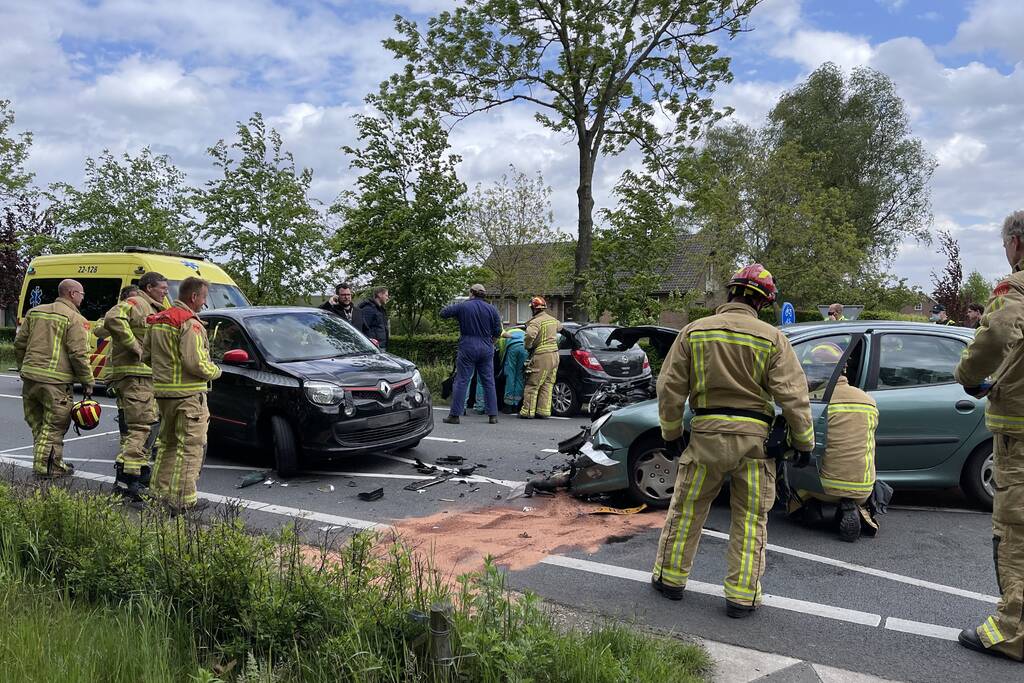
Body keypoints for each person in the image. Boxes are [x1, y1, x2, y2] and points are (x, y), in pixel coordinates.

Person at [650, 264, 814, 618]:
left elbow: (669, 388)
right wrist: (804, 443)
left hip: (705, 438)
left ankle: (670, 580)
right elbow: (794, 397)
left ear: (729, 294)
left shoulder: (694, 332)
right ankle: (741, 598)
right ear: (764, 302)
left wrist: (672, 433)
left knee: (686, 511)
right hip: (754, 444)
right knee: (751, 520)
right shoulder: (773, 338)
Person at [953, 209, 1024, 661]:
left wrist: (969, 375)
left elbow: (997, 331)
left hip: (1019, 434)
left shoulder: (1015, 290)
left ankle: (1012, 631)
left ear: (1016, 244)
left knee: (1016, 531)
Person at [144, 276, 221, 512]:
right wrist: (216, 371)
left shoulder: (159, 320)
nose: (204, 304)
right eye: (204, 298)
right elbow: (195, 363)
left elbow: (146, 356)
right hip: (188, 396)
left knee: (166, 445)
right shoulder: (190, 324)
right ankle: (184, 500)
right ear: (194, 297)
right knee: (189, 448)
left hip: (164, 394)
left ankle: (158, 494)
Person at [788, 342, 879, 542]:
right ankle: (853, 507)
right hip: (863, 488)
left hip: (823, 488)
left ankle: (809, 507)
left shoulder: (816, 401)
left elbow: (801, 438)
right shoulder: (868, 401)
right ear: (844, 368)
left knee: (791, 463)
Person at [13, 278, 95, 478]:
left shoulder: (34, 313)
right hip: (56, 383)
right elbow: (78, 354)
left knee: (38, 424)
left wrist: (23, 367)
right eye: (82, 295)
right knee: (54, 427)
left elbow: (19, 344)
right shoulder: (75, 319)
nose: (83, 299)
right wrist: (87, 381)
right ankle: (47, 469)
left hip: (30, 379)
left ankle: (50, 461)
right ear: (72, 294)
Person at [103, 272, 167, 501]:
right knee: (142, 428)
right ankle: (129, 482)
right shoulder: (136, 302)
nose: (165, 292)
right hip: (136, 376)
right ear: (149, 287)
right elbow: (113, 319)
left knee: (145, 427)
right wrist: (135, 347)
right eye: (162, 288)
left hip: (145, 377)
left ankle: (135, 477)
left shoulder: (153, 307)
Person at [440, 284, 502, 425]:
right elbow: (498, 331)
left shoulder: (464, 306)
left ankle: (455, 415)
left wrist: (459, 316)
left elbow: (443, 313)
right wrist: (490, 342)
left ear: (472, 293)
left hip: (468, 345)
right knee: (488, 381)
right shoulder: (492, 309)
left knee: (462, 380)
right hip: (486, 347)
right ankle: (493, 415)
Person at [519, 297, 561, 419]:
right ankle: (543, 411)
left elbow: (530, 335)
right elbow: (560, 328)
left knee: (533, 384)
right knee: (547, 384)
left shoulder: (535, 322)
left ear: (533, 308)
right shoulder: (553, 320)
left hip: (542, 356)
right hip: (555, 355)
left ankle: (527, 412)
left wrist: (528, 346)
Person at [501, 328, 528, 412]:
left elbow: (502, 351)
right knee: (520, 376)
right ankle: (516, 404)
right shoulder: (523, 333)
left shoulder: (506, 334)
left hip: (512, 348)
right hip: (524, 348)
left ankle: (508, 405)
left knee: (510, 375)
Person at [359, 286, 390, 351]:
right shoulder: (368, 309)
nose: (387, 298)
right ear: (379, 295)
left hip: (381, 346)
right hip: (373, 347)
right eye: (386, 295)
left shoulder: (380, 310)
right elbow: (363, 328)